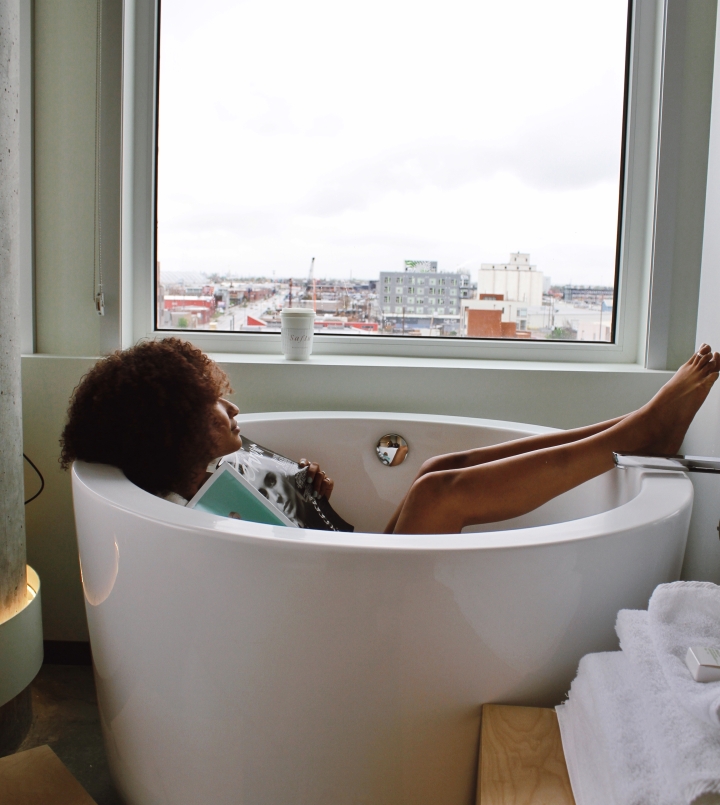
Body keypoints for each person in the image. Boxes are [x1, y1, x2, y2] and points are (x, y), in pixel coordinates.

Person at [61, 338, 719, 535]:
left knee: (439, 468)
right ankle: (639, 432)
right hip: (354, 610)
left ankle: (632, 430)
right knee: (440, 495)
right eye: (214, 405)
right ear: (173, 433)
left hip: (351, 574)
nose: (233, 407)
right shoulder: (184, 517)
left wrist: (307, 501)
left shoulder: (217, 481)